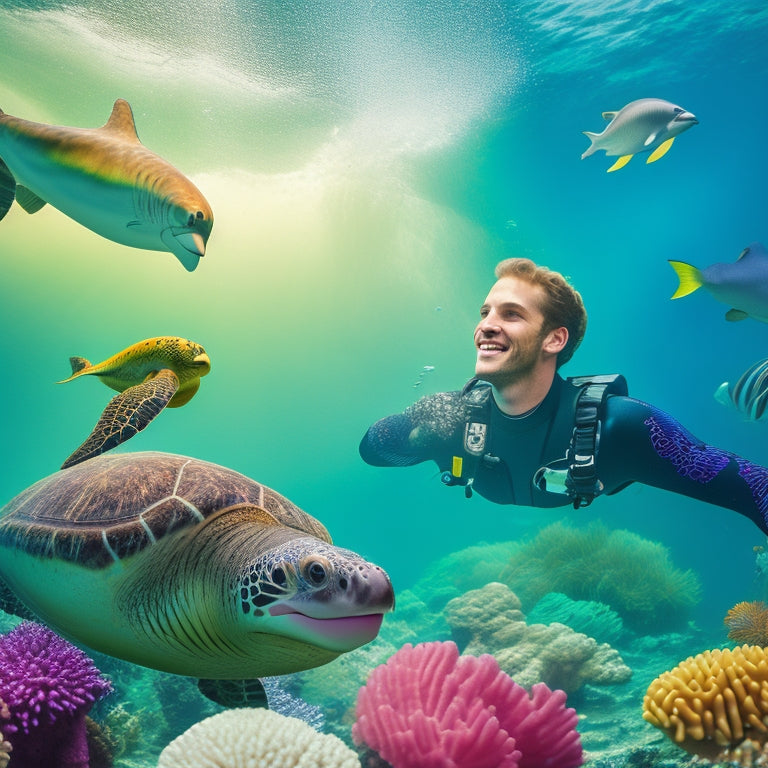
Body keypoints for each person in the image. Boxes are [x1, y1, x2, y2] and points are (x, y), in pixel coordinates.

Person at [360, 258, 768, 533]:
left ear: (554, 339)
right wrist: (417, 424)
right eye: (485, 312)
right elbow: (372, 451)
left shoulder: (621, 426)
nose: (486, 326)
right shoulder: (456, 420)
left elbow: (752, 487)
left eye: (511, 314)